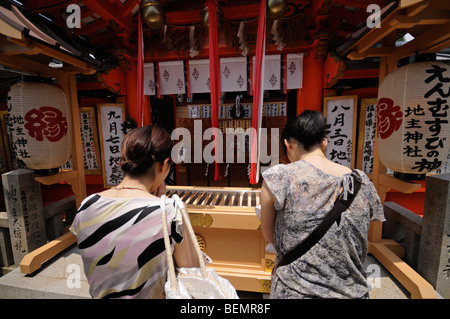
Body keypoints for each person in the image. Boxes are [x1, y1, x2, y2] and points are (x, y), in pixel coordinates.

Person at [260, 110, 385, 299]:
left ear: (288, 144)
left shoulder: (278, 177)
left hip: (294, 291)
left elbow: (270, 236)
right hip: (353, 292)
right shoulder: (361, 181)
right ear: (324, 143)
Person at [70, 125, 199, 299]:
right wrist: (162, 203)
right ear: (164, 164)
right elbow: (192, 272)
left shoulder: (87, 205)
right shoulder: (170, 211)